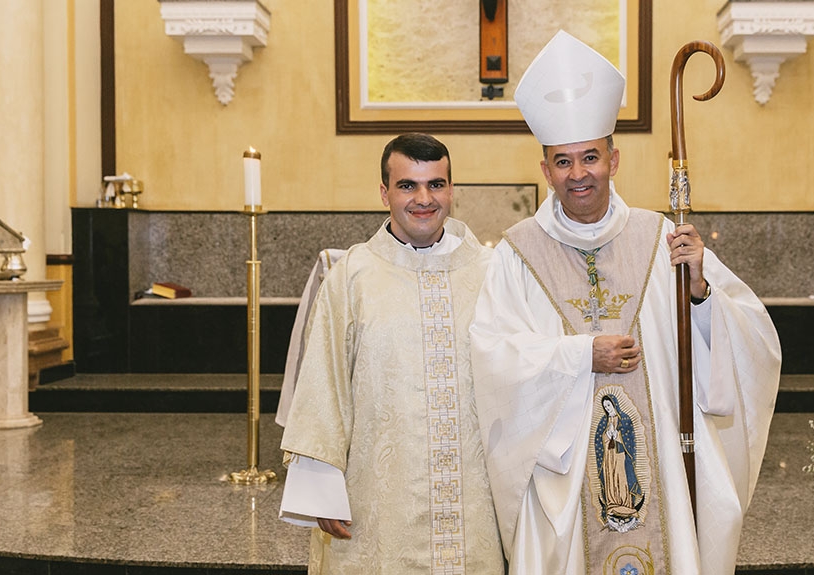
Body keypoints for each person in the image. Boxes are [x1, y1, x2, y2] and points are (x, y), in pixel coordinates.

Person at [470, 30, 782, 575]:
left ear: (614, 159)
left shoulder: (663, 238)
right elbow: (495, 358)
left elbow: (754, 338)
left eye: (590, 157)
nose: (578, 174)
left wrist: (700, 292)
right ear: (545, 172)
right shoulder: (518, 253)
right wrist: (579, 355)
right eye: (563, 162)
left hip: (661, 456)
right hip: (565, 477)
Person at [279, 133, 504, 574]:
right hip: (377, 500)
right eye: (407, 186)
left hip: (473, 499)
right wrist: (321, 486)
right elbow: (323, 382)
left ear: (451, 190)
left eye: (435, 184)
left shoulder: (490, 273)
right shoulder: (353, 275)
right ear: (384, 193)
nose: (424, 199)